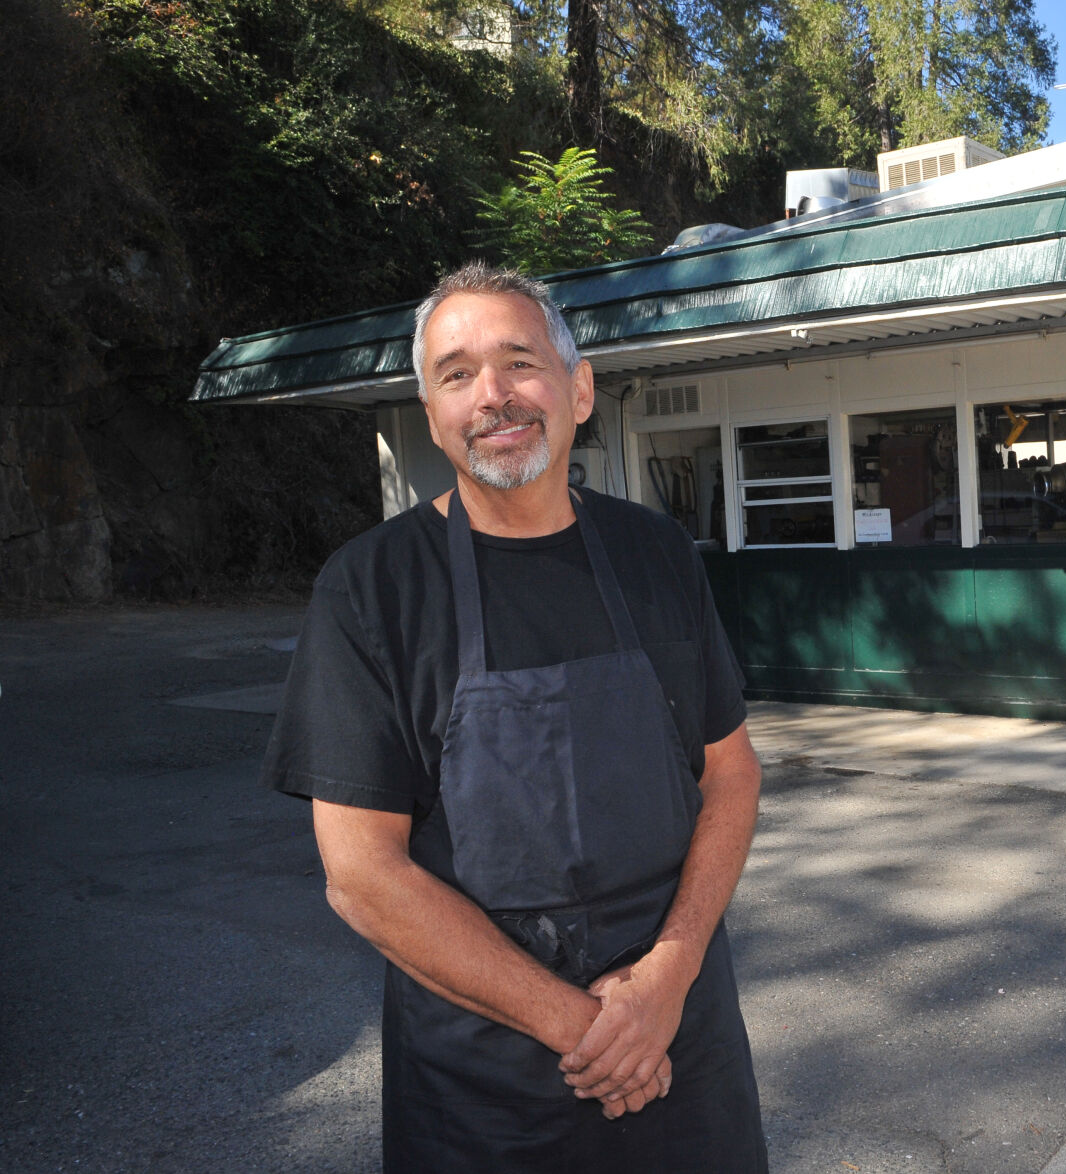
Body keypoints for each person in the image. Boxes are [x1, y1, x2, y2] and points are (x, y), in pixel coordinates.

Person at [262, 261, 767, 1172]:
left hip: (678, 1039)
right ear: (432, 412)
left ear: (578, 390)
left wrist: (670, 972)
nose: (491, 396)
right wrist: (591, 1030)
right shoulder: (372, 589)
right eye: (455, 374)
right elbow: (363, 878)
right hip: (486, 1083)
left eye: (517, 363)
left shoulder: (655, 552)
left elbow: (729, 773)